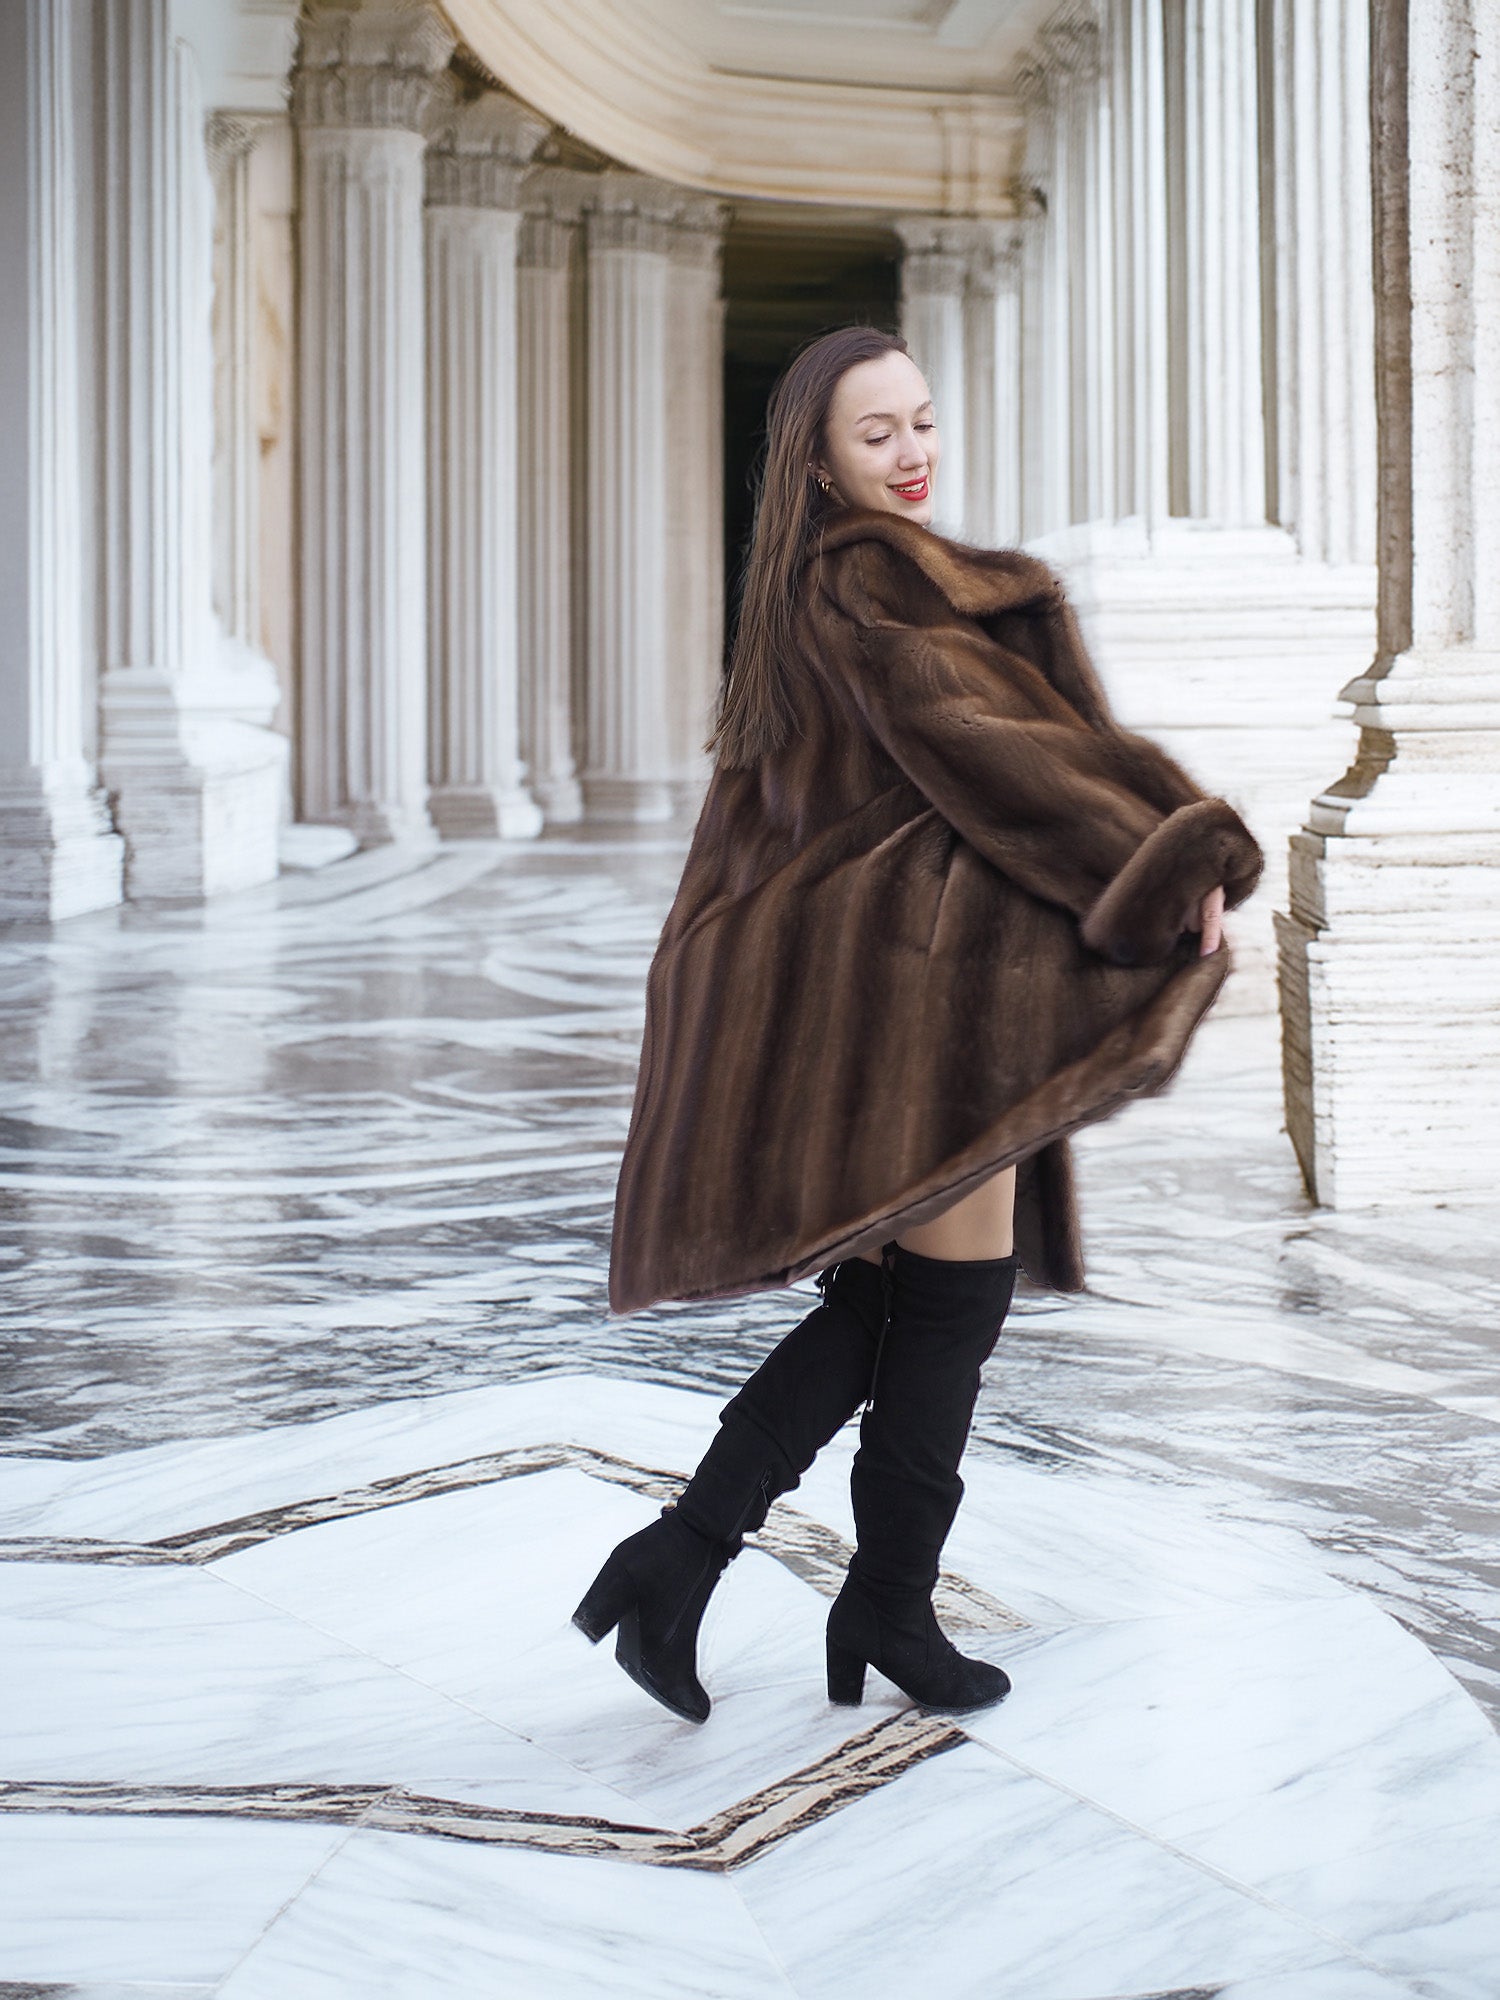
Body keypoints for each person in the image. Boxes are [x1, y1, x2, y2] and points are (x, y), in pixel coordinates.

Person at [573, 325, 1262, 1725]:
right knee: (949, 1303)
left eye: (922, 423)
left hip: (878, 994)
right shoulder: (867, 575)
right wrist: (1167, 857)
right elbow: (993, 747)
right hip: (921, 1003)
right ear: (819, 464)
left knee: (899, 1299)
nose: (912, 454)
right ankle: (876, 1605)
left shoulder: (814, 585)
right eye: (876, 434)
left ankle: (682, 1563)